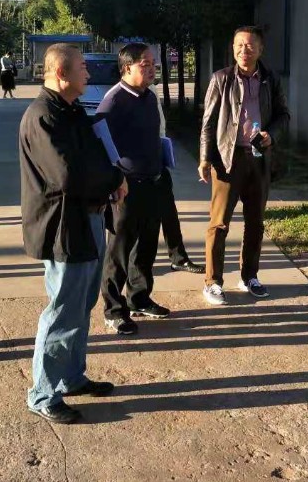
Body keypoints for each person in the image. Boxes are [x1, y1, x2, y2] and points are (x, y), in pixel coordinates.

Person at [21, 44, 126, 424]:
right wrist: (113, 179)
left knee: (82, 305)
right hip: (63, 225)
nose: (88, 73)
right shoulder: (43, 116)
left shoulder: (71, 111)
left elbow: (94, 156)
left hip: (89, 218)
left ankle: (71, 376)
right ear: (61, 73)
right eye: (82, 67)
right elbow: (67, 175)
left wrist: (112, 176)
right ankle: (43, 393)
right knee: (63, 309)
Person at [198, 26, 289, 305]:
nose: (243, 50)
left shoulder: (271, 79)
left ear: (260, 49)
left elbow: (284, 115)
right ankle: (212, 282)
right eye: (238, 45)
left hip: (259, 159)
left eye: (249, 45)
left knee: (255, 222)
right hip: (228, 159)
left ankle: (249, 276)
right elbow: (209, 122)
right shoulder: (221, 79)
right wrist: (205, 158)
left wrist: (272, 135)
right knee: (219, 223)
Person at [98, 43, 169, 335]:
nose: (152, 69)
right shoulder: (114, 101)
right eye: (145, 64)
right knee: (119, 250)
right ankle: (114, 310)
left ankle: (139, 297)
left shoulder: (149, 97)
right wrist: (114, 181)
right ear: (127, 68)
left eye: (153, 64)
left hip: (152, 182)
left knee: (146, 246)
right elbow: (100, 147)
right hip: (126, 187)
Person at [153, 86, 204, 273]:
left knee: (169, 212)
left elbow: (160, 124)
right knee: (139, 220)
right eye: (146, 68)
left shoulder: (150, 90)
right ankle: (133, 265)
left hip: (158, 160)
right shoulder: (119, 96)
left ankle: (178, 258)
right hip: (137, 169)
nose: (152, 72)